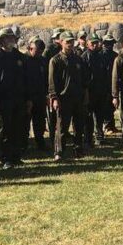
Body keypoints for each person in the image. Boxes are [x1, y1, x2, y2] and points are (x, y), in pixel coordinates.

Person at [48, 31, 88, 162]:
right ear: (61, 42)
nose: (70, 44)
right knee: (62, 128)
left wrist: (85, 93)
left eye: (71, 41)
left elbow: (83, 79)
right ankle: (59, 152)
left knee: (78, 126)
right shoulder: (55, 60)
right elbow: (52, 82)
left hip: (77, 97)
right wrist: (54, 98)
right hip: (63, 99)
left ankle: (78, 150)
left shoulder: (78, 59)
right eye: (67, 42)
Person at [0, 28, 30, 169]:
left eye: (12, 37)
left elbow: (26, 79)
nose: (10, 40)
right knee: (5, 130)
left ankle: (16, 156)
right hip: (3, 100)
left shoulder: (20, 57)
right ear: (1, 40)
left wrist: (28, 99)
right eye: (7, 37)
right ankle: (5, 158)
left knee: (18, 128)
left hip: (19, 99)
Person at [81, 33, 107, 147]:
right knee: (88, 118)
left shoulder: (101, 56)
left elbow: (105, 74)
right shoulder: (84, 57)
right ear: (87, 44)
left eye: (97, 43)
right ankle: (88, 140)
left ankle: (100, 137)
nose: (95, 45)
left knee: (100, 116)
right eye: (93, 43)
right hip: (89, 92)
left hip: (100, 91)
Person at [24, 37, 48, 151]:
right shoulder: (24, 60)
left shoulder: (43, 60)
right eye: (37, 51)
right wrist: (27, 99)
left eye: (41, 52)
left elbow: (46, 79)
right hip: (27, 97)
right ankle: (24, 144)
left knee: (39, 122)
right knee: (25, 123)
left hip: (40, 96)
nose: (39, 53)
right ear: (30, 48)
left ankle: (40, 142)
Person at [101, 34, 118, 134]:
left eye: (111, 43)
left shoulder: (115, 55)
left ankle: (112, 125)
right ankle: (107, 126)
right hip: (104, 84)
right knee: (105, 105)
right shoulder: (101, 55)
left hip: (113, 83)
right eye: (107, 43)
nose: (109, 45)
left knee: (112, 106)